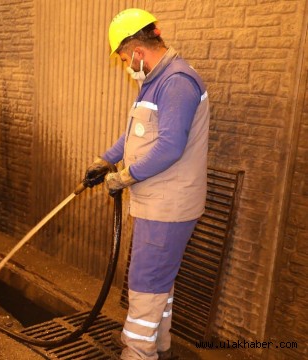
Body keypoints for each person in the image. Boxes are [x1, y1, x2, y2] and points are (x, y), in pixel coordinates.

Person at [83, 8, 209, 360]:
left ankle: (137, 353)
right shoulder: (154, 80)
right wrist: (104, 159)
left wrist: (123, 177)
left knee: (144, 285)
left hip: (168, 206)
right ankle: (160, 348)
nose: (125, 64)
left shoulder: (177, 82)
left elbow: (169, 146)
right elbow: (135, 135)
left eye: (124, 56)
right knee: (159, 285)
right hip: (157, 201)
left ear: (137, 51)